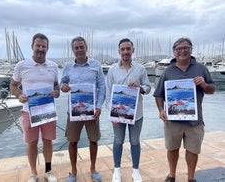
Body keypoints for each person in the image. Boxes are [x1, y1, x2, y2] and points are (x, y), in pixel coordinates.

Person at [153, 37, 215, 182]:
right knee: (172, 149)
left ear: (191, 49)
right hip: (173, 120)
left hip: (195, 120)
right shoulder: (167, 71)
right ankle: (172, 175)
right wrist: (161, 110)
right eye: (179, 48)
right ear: (174, 52)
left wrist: (204, 85)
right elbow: (158, 94)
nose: (182, 51)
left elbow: (212, 89)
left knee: (193, 150)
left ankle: (191, 177)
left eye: (186, 48)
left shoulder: (201, 68)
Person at [10, 33, 60, 182]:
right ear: (32, 46)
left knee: (47, 141)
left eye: (43, 46)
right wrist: (19, 95)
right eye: (38, 45)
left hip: (48, 111)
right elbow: (13, 84)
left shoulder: (53, 66)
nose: (40, 48)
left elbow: (55, 85)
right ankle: (33, 173)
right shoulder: (22, 65)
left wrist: (56, 92)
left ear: (47, 48)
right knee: (32, 142)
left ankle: (48, 171)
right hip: (28, 111)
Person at [60, 36, 106, 182]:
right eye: (76, 48)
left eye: (82, 47)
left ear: (86, 48)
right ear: (73, 50)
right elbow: (63, 83)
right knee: (72, 141)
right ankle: (73, 171)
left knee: (93, 140)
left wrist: (98, 106)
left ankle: (93, 168)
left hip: (92, 111)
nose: (79, 50)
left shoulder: (96, 65)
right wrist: (63, 87)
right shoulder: (67, 67)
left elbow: (102, 87)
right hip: (73, 111)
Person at [106, 38, 151, 182]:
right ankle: (117, 170)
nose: (125, 52)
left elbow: (148, 87)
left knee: (135, 141)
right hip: (118, 114)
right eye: (123, 49)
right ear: (119, 51)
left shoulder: (141, 69)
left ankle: (135, 171)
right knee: (118, 141)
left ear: (133, 50)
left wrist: (140, 88)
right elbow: (108, 95)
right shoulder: (112, 70)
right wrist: (112, 113)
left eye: (128, 49)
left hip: (136, 114)